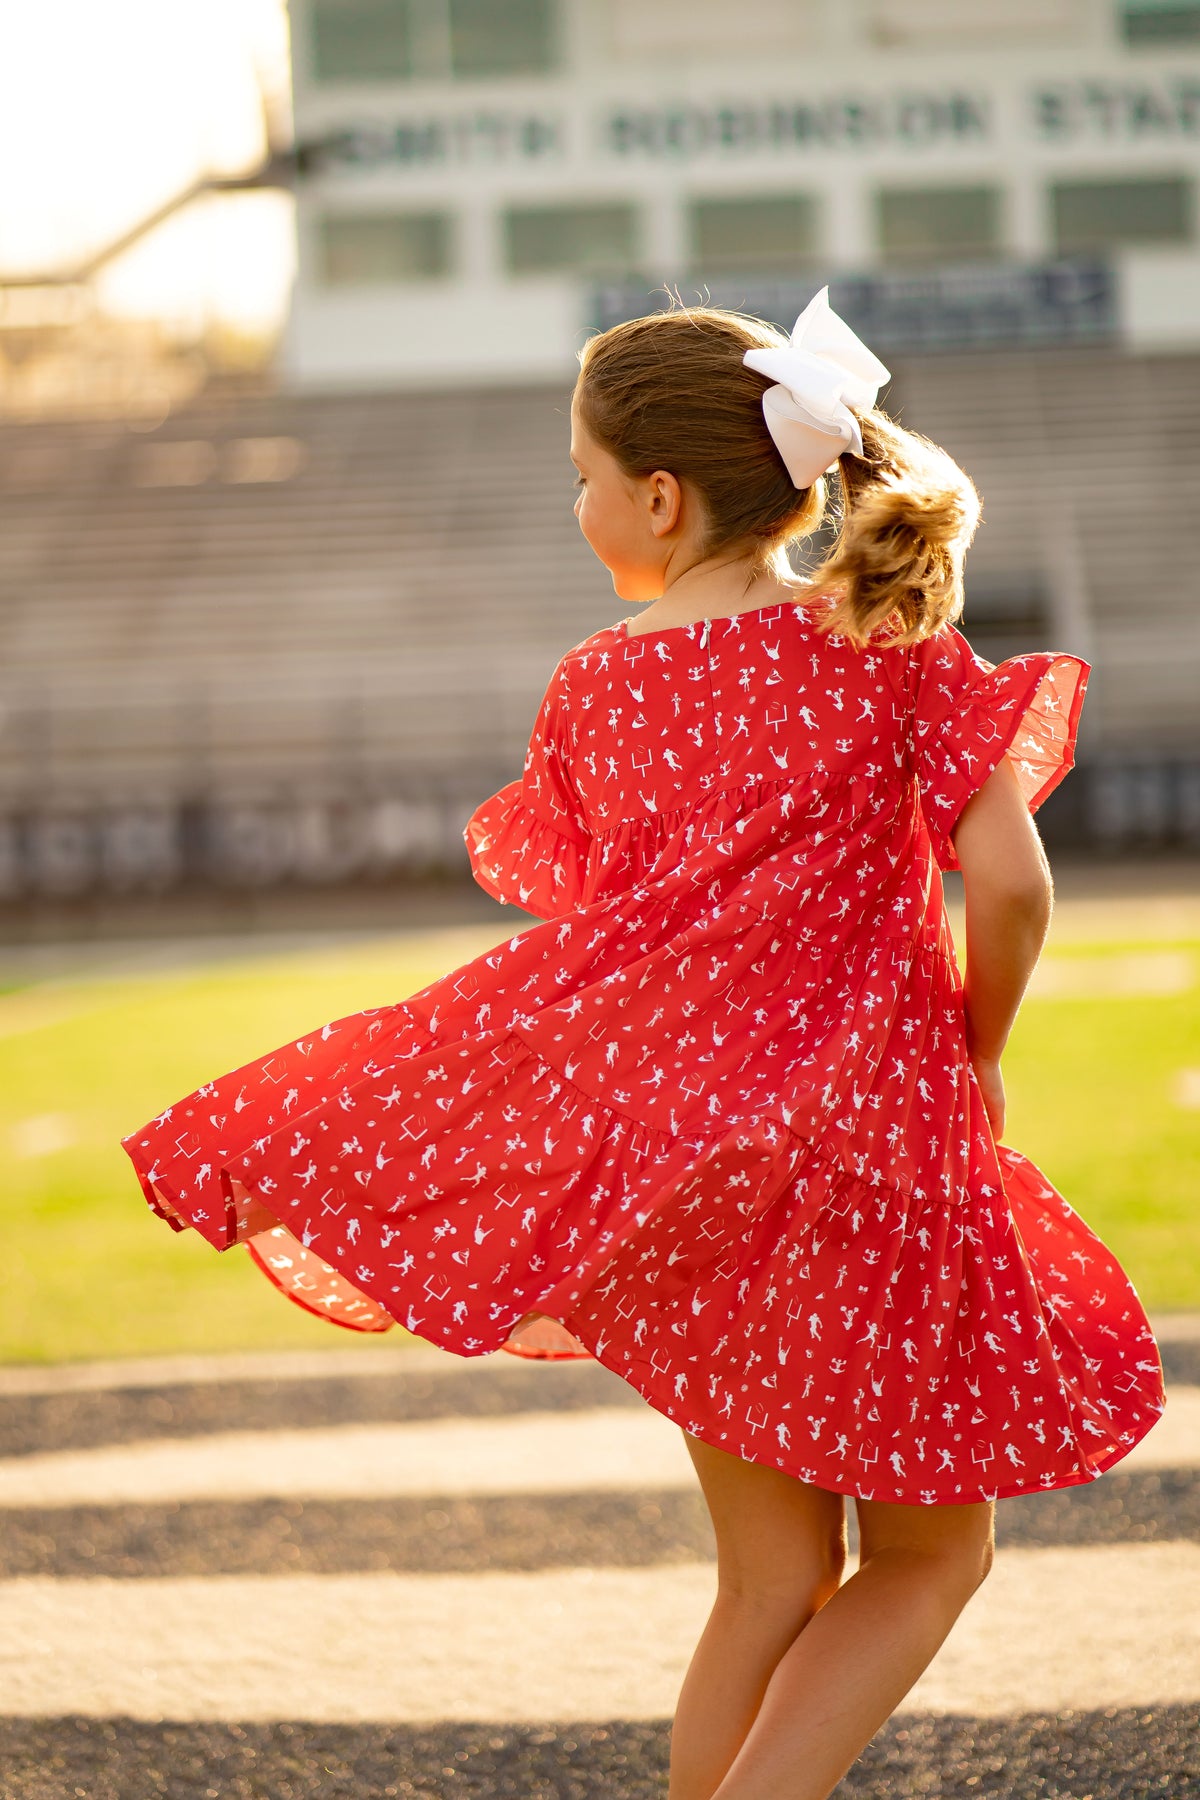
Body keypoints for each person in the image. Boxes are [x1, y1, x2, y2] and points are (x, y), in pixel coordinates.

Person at [122, 290, 1165, 1800]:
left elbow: (604, 943)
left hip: (681, 1181)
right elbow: (1008, 883)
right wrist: (977, 1044)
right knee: (934, 1556)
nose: (575, 498)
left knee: (765, 1581)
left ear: (659, 499)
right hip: (871, 1156)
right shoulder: (888, 645)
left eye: (583, 470)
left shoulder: (598, 687)